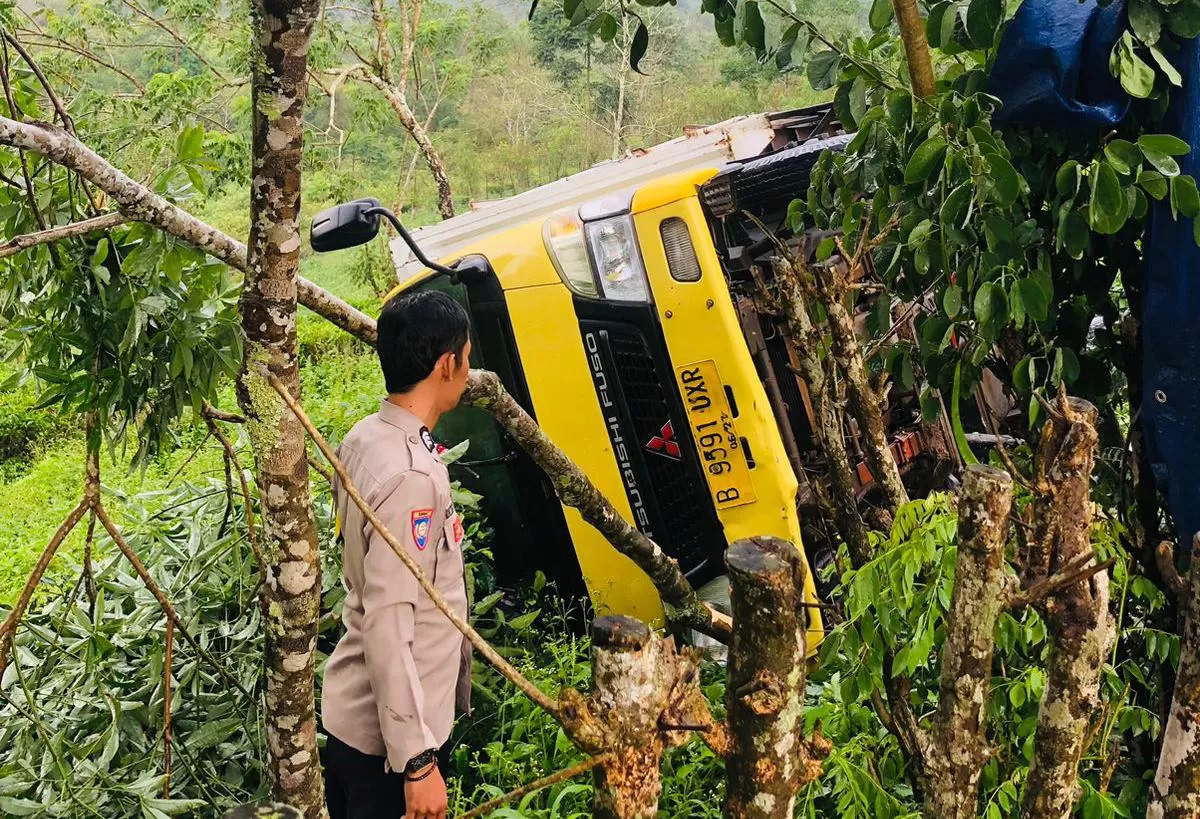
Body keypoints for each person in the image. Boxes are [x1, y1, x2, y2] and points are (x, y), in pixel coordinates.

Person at [322, 290, 473, 819]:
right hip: (388, 750)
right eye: (467, 358)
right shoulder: (410, 476)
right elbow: (389, 620)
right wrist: (418, 762)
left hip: (357, 723)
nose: (468, 370)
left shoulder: (368, 437)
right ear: (447, 364)